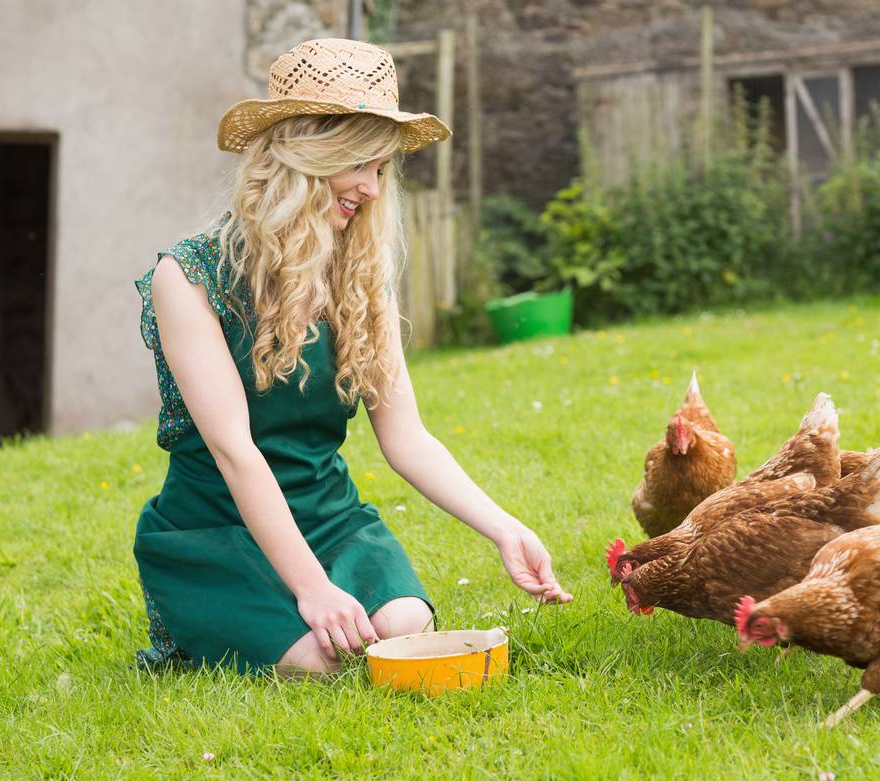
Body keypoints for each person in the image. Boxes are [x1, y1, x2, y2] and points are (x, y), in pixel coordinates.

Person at [133, 38, 571, 676]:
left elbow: (408, 438)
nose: (371, 187)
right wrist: (313, 589)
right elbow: (235, 452)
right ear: (306, 155)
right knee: (320, 660)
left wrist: (503, 527)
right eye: (359, 164)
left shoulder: (359, 277)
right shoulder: (190, 277)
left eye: (382, 169)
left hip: (327, 514)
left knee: (405, 627)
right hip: (216, 529)